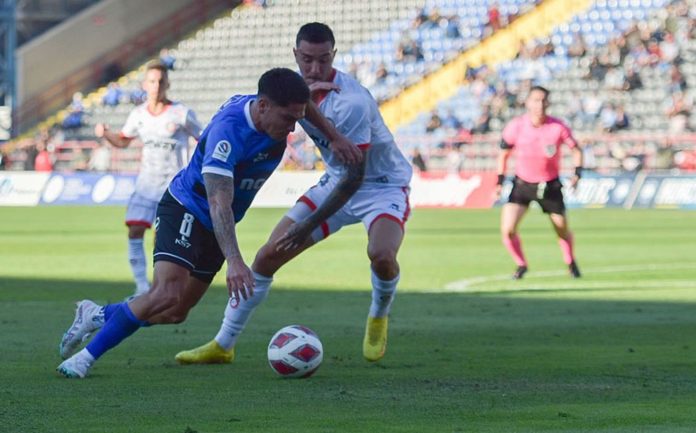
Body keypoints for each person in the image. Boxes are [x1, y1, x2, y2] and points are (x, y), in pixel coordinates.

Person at [56, 67, 355, 379]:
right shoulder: (228, 133)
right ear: (264, 106)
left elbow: (306, 108)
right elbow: (218, 201)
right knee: (165, 293)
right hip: (188, 206)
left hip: (219, 222)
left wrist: (335, 137)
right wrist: (235, 261)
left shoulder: (275, 112)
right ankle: (84, 360)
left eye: (297, 117)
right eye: (287, 119)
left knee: (175, 312)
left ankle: (97, 314)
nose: (293, 128)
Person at [174, 22, 413, 366]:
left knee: (381, 255)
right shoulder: (294, 90)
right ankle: (222, 344)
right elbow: (295, 109)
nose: (315, 68)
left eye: (323, 60)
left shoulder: (353, 103)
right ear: (295, 55)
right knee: (268, 256)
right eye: (307, 60)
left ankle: (378, 314)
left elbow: (355, 176)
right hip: (335, 180)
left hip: (380, 185)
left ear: (334, 55)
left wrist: (310, 224)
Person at [94, 62, 202, 297]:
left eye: (161, 81)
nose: (157, 86)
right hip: (146, 185)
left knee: (163, 240)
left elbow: (203, 140)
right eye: (152, 81)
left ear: (168, 84)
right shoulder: (138, 115)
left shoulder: (182, 113)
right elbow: (123, 141)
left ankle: (161, 286)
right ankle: (141, 286)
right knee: (134, 231)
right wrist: (106, 134)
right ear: (145, 85)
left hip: (174, 189)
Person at [496, 85, 583, 280]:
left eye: (543, 100)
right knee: (507, 229)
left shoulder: (557, 127)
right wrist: (499, 180)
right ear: (527, 103)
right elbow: (503, 153)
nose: (540, 104)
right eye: (536, 100)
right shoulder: (516, 126)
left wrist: (577, 174)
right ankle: (521, 264)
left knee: (561, 229)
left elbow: (576, 150)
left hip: (549, 185)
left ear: (549, 103)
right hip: (522, 185)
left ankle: (570, 261)